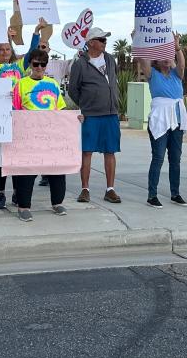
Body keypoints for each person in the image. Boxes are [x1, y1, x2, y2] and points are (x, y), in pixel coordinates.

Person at [0, 19, 44, 209]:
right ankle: (1, 193)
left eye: (7, 49)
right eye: (0, 49)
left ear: (12, 51)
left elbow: (33, 52)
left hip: (18, 118)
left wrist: (36, 33)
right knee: (2, 158)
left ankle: (17, 191)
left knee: (16, 156)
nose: (4, 52)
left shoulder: (19, 66)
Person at [10, 48, 78, 220]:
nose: (39, 67)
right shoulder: (21, 84)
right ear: (30, 64)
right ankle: (23, 206)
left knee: (56, 170)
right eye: (36, 64)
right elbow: (15, 110)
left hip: (51, 136)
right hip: (29, 136)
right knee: (27, 171)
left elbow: (60, 108)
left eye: (43, 64)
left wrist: (74, 118)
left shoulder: (54, 84)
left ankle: (57, 203)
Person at [68, 27, 122, 204]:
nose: (105, 43)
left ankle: (110, 189)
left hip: (111, 113)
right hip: (91, 115)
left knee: (110, 151)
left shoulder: (110, 59)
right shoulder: (80, 64)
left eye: (105, 40)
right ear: (91, 42)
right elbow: (73, 89)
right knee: (87, 152)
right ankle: (85, 189)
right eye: (102, 39)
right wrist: (86, 104)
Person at [136, 35, 187, 208]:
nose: (167, 58)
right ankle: (152, 195)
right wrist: (140, 39)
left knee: (175, 158)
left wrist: (177, 47)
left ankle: (175, 193)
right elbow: (143, 61)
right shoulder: (152, 74)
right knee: (158, 157)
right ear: (156, 60)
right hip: (160, 119)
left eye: (170, 55)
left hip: (177, 120)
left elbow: (182, 64)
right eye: (163, 55)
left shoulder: (176, 75)